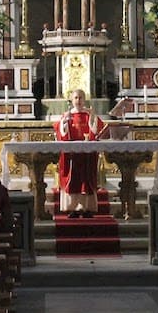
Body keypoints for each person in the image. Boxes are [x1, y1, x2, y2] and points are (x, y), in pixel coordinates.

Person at [54, 88, 106, 218]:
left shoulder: (89, 114)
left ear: (85, 99)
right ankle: (73, 208)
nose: (78, 100)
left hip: (87, 154)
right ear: (72, 100)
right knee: (73, 180)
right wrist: (64, 122)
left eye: (81, 97)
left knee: (86, 179)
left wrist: (93, 118)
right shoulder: (67, 115)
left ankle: (87, 207)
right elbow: (61, 132)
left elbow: (97, 131)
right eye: (76, 98)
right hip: (72, 155)